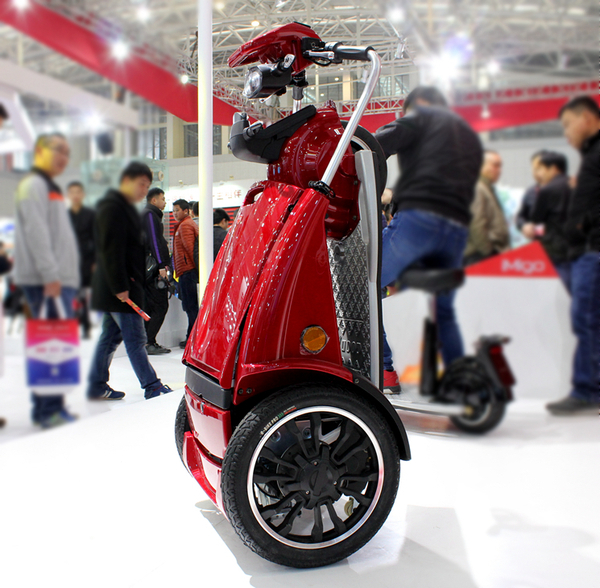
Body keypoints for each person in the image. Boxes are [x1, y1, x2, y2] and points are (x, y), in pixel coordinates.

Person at [374, 86, 483, 391]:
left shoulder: (418, 118)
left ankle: (383, 372)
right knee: (443, 306)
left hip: (420, 220)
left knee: (362, 283)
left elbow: (371, 146)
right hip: (456, 228)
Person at [88, 162, 172, 400]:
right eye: (141, 185)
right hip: (120, 289)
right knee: (136, 339)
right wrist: (120, 287)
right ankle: (152, 385)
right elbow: (111, 251)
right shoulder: (114, 208)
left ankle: (96, 384)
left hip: (114, 288)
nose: (145, 191)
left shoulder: (121, 208)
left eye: (147, 186)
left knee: (111, 337)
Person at [13, 133, 80, 427]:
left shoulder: (48, 186)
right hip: (44, 281)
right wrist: (50, 274)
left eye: (67, 152)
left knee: (58, 343)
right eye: (57, 151)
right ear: (40, 151)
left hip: (57, 280)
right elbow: (37, 232)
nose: (63, 158)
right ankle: (46, 409)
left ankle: (53, 404)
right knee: (47, 344)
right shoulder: (33, 185)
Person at [546, 96, 600, 415]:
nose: (566, 134)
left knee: (586, 320)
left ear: (587, 118)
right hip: (585, 250)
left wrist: (581, 228)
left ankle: (586, 390)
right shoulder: (590, 156)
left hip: (590, 250)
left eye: (568, 125)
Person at [526, 151, 572, 289]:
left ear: (553, 169)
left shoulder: (547, 190)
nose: (540, 174)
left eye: (542, 169)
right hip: (575, 247)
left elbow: (535, 218)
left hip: (554, 248)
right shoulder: (575, 185)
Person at [463, 150, 511, 265]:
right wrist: (488, 252)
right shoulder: (477, 187)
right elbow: (476, 223)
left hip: (487, 253)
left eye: (500, 166)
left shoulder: (486, 187)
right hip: (480, 255)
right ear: (480, 164)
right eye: (495, 165)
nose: (499, 171)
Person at [143, 187, 171, 355]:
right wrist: (161, 265)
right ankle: (149, 341)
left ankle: (147, 341)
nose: (164, 202)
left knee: (151, 306)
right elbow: (154, 241)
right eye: (162, 198)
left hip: (147, 270)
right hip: (152, 270)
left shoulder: (149, 215)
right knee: (160, 306)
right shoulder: (150, 215)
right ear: (154, 200)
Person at [66, 181, 95, 339]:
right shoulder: (65, 215)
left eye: (78, 192)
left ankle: (84, 325)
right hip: (68, 261)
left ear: (82, 195)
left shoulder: (90, 215)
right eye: (72, 192)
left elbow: (96, 238)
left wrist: (95, 261)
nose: (75, 195)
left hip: (86, 260)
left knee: (83, 293)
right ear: (68, 195)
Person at [172, 199, 199, 348]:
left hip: (188, 271)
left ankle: (192, 338)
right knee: (190, 307)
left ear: (186, 211)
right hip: (187, 270)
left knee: (190, 307)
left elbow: (190, 249)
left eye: (177, 210)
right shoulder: (185, 224)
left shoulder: (185, 225)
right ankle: (191, 337)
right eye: (174, 210)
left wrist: (195, 269)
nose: (175, 213)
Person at [515, 150, 547, 238]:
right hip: (537, 243)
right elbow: (520, 217)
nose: (536, 172)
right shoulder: (530, 192)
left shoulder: (562, 189)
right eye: (533, 168)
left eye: (539, 168)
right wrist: (524, 226)